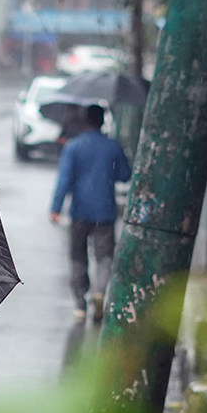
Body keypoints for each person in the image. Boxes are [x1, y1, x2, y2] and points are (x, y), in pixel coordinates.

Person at [47, 103, 131, 321]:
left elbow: (64, 180)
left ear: (85, 122)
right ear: (103, 122)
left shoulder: (73, 147)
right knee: (104, 257)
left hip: (79, 212)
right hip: (105, 211)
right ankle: (99, 292)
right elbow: (125, 175)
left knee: (78, 257)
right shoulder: (113, 147)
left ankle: (80, 304)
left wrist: (56, 208)